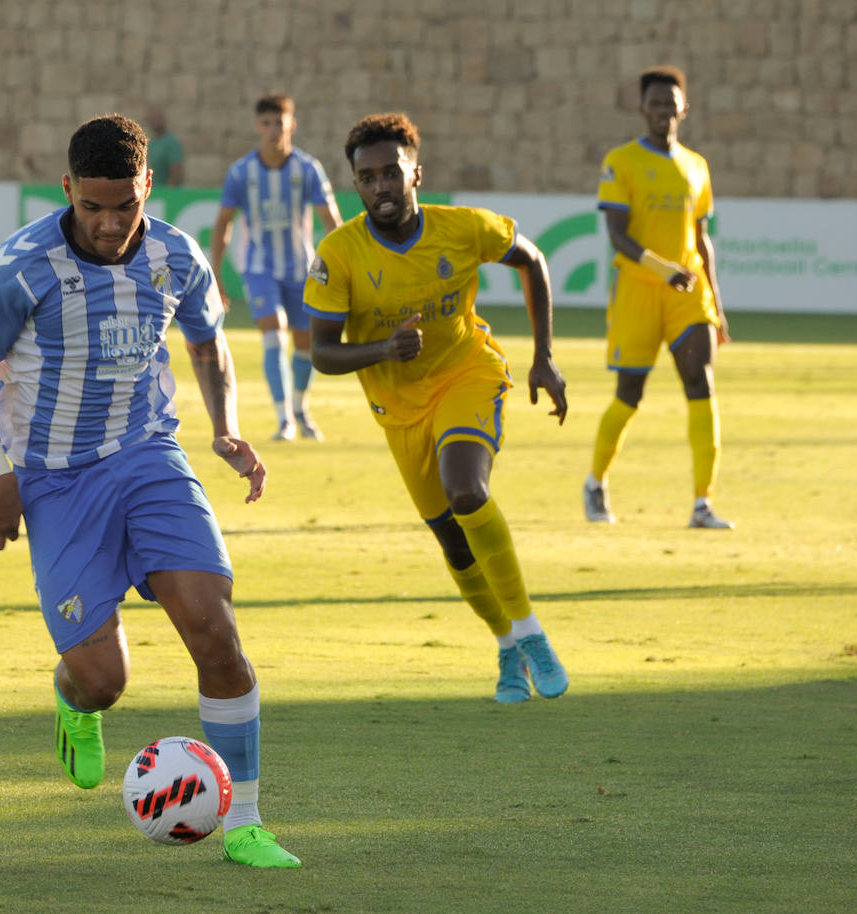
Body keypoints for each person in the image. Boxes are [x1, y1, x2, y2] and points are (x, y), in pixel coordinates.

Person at [0, 114, 300, 868]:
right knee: (105, 682)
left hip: (149, 458)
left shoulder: (177, 255)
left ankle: (247, 822)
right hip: (54, 480)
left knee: (215, 629)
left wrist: (227, 428)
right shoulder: (18, 268)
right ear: (68, 190)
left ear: (148, 186)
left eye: (125, 206)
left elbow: (207, 338)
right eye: (92, 207)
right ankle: (75, 700)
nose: (109, 224)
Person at [304, 112, 571, 703]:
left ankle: (529, 631)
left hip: (466, 374)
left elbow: (532, 261)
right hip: (398, 410)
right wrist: (383, 349)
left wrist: (543, 357)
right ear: (356, 185)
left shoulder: (463, 229)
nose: (381, 188)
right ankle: (505, 647)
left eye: (391, 173)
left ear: (415, 173)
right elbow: (321, 353)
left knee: (466, 490)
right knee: (453, 541)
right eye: (367, 178)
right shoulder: (338, 253)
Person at [584, 65, 733, 529]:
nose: (663, 111)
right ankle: (595, 483)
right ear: (642, 108)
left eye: (671, 103)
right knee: (630, 394)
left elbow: (701, 237)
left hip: (689, 295)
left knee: (700, 383)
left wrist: (718, 307)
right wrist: (661, 270)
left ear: (683, 109)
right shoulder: (621, 161)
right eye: (655, 103)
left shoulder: (696, 166)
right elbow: (617, 235)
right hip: (639, 292)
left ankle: (702, 504)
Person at [210, 93, 342, 442]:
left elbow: (332, 222)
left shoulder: (308, 169)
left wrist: (341, 268)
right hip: (258, 267)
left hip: (300, 268)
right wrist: (218, 275)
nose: (273, 130)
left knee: (305, 344)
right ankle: (283, 419)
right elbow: (223, 224)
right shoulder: (242, 172)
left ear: (291, 125)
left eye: (279, 123)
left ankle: (299, 408)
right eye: (266, 124)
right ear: (258, 126)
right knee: (274, 330)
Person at [145, 106, 185, 187]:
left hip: (169, 193)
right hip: (155, 191)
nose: (156, 121)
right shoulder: (151, 143)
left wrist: (167, 192)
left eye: (158, 118)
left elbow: (177, 172)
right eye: (153, 118)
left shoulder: (171, 143)